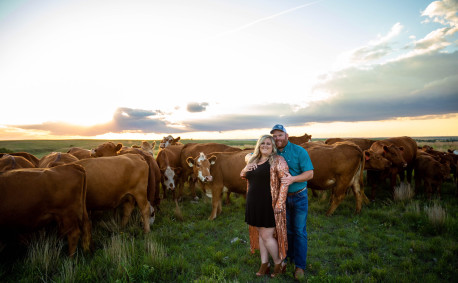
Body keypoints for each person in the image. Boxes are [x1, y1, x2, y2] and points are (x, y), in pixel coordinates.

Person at [240, 135, 290, 278]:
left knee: (267, 236)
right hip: (254, 203)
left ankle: (279, 262)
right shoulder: (253, 159)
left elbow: (285, 182)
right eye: (263, 143)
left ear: (273, 146)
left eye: (269, 143)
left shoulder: (278, 160)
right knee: (261, 236)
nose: (265, 145)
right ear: (258, 145)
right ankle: (265, 264)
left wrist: (280, 203)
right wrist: (245, 168)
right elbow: (243, 175)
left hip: (269, 204)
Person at [270, 124, 314, 280]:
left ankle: (300, 266)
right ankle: (288, 257)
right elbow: (253, 155)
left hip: (299, 196)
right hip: (281, 199)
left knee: (299, 231)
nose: (277, 138)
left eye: (280, 135)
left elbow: (310, 174)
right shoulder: (273, 153)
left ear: (286, 135)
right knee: (286, 230)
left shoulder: (299, 151)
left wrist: (293, 179)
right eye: (274, 136)